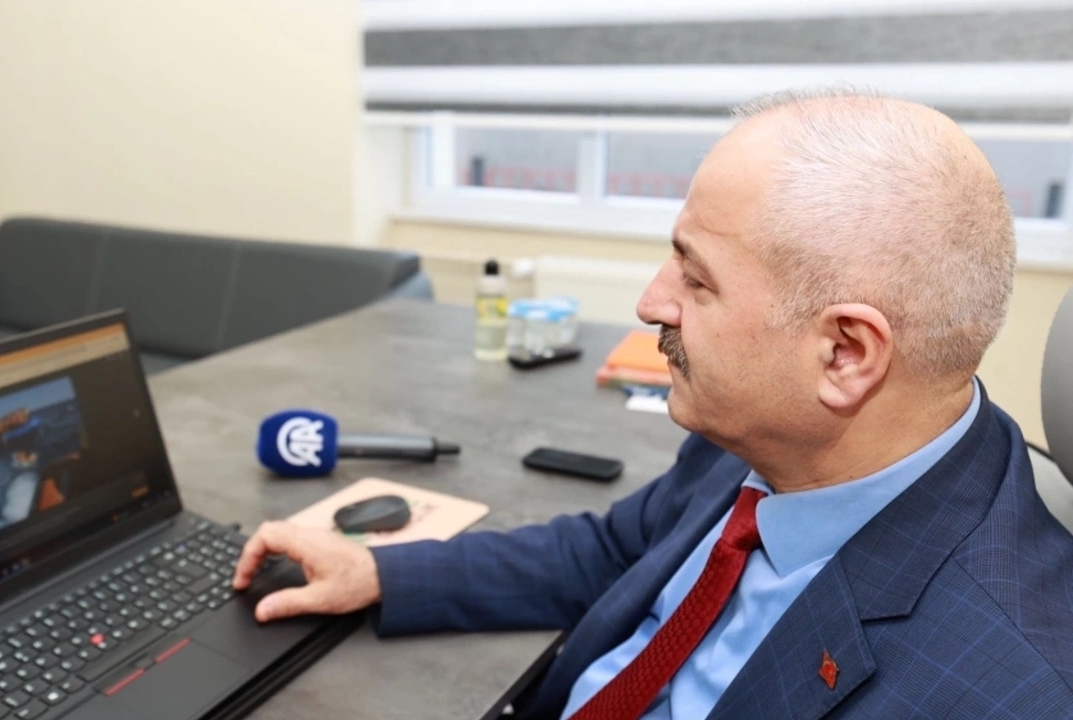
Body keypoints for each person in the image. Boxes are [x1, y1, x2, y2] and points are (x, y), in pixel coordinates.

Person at [234, 88, 1073, 719]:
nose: (650, 302)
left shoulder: (1007, 686)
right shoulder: (763, 438)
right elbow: (614, 552)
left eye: (696, 280)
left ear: (845, 354)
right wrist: (381, 571)